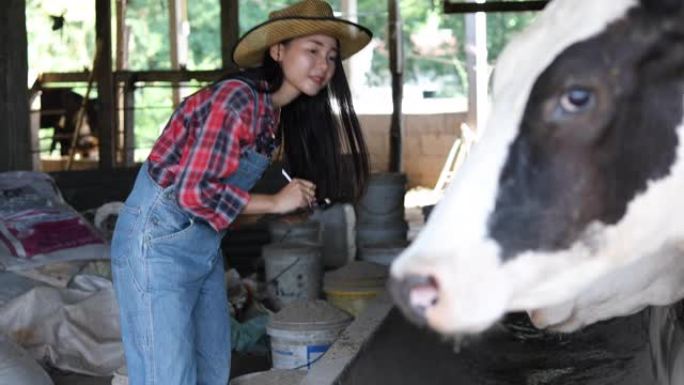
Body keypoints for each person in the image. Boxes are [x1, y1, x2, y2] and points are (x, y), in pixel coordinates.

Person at [109, 0, 372, 384]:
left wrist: (276, 210)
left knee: (212, 368)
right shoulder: (236, 99)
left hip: (202, 247)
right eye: (312, 51)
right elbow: (194, 194)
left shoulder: (272, 114)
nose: (323, 65)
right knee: (167, 376)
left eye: (331, 57)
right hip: (157, 244)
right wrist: (277, 200)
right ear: (278, 50)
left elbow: (215, 201)